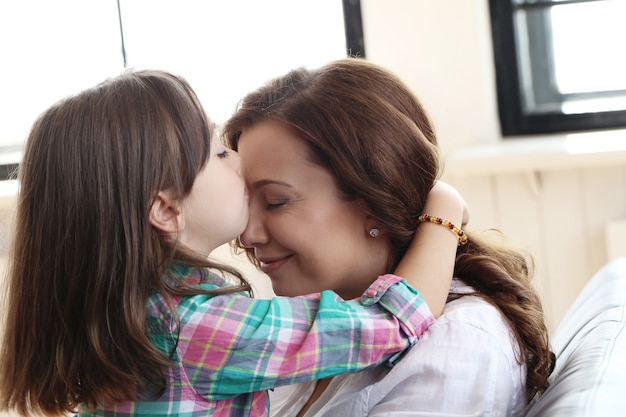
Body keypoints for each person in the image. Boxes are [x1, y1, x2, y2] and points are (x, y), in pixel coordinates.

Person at [0, 69, 468, 417]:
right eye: (219, 152)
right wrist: (442, 211)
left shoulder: (126, 312)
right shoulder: (193, 327)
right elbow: (394, 322)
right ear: (166, 209)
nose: (236, 162)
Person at [222, 58, 555, 417]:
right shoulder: (326, 320)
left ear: (373, 201)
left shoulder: (456, 341)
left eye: (275, 201)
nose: (247, 233)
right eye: (244, 202)